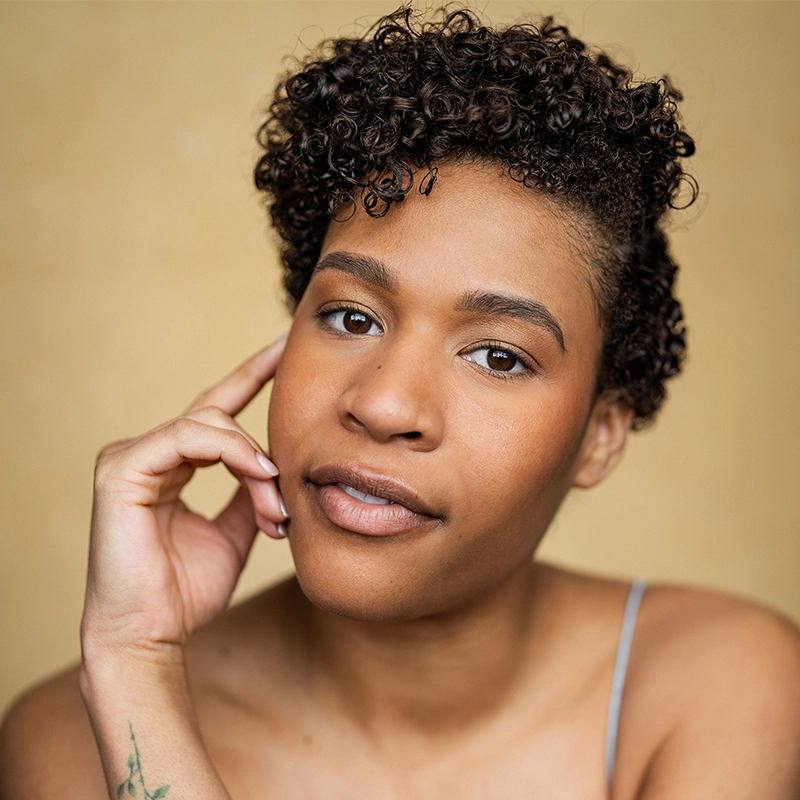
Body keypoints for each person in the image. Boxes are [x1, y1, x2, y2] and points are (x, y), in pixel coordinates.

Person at [1, 7, 799, 799]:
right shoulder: (73, 740)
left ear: (599, 436)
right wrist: (135, 660)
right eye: (353, 318)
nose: (382, 405)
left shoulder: (720, 687)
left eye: (497, 356)